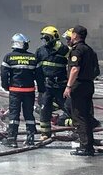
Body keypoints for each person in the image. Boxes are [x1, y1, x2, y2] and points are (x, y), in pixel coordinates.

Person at [0, 33, 44, 147]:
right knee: (29, 114)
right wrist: (41, 90)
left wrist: (5, 86)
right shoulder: (33, 57)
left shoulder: (8, 57)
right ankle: (30, 138)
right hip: (29, 91)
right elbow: (40, 76)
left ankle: (12, 139)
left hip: (15, 91)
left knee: (14, 114)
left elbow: (4, 74)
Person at [63, 25, 100, 156]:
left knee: (79, 116)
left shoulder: (77, 50)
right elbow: (96, 70)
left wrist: (68, 86)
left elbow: (74, 69)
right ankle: (89, 144)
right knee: (87, 115)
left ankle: (85, 147)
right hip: (89, 85)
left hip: (78, 86)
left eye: (72, 33)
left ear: (75, 35)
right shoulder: (90, 50)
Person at [35, 25, 70, 139]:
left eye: (47, 38)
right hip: (46, 86)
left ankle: (78, 131)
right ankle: (45, 134)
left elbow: (74, 62)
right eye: (44, 38)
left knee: (69, 108)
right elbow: (36, 68)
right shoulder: (40, 51)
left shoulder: (63, 50)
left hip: (61, 86)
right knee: (45, 109)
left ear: (54, 37)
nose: (45, 40)